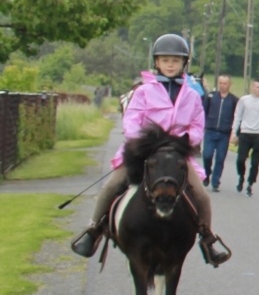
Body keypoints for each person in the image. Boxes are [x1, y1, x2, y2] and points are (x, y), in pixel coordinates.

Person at [70, 34, 232, 265]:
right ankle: (93, 230)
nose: (170, 64)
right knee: (112, 185)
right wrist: (145, 143)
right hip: (144, 151)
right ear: (156, 62)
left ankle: (207, 238)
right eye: (165, 60)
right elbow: (132, 120)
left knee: (202, 196)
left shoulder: (192, 95)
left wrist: (183, 142)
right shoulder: (144, 91)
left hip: (176, 153)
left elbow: (198, 125)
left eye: (175, 61)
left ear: (184, 63)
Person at [231, 78, 259, 195]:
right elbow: (237, 116)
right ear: (252, 87)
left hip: (258, 134)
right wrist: (234, 132)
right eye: (257, 87)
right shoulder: (244, 100)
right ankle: (241, 177)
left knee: (255, 162)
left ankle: (250, 184)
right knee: (241, 159)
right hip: (245, 133)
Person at [200, 74, 237, 189]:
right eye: (220, 83)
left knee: (220, 158)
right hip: (210, 131)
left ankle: (216, 182)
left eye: (225, 83)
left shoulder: (234, 100)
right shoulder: (211, 96)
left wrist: (235, 133)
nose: (222, 86)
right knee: (207, 155)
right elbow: (203, 111)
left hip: (224, 134)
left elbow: (237, 117)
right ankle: (206, 174)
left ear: (230, 84)